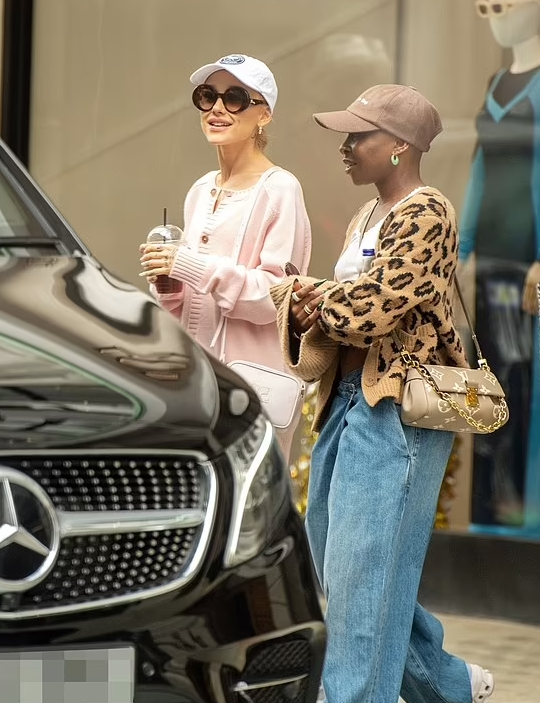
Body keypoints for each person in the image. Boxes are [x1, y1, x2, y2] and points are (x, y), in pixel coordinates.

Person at [270, 85, 495, 703]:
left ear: (399, 147)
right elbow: (353, 310)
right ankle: (448, 686)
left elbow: (379, 309)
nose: (345, 147)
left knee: (361, 580)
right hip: (343, 405)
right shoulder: (366, 216)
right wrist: (318, 301)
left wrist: (315, 297)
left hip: (396, 409)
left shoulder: (429, 212)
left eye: (358, 135)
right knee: (349, 575)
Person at [139, 54, 311, 459]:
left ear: (263, 114)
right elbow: (189, 303)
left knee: (248, 509)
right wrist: (169, 285)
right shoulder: (200, 190)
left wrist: (186, 264)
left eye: (235, 98)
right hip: (196, 383)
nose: (217, 108)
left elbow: (273, 297)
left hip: (251, 387)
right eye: (207, 96)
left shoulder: (280, 189)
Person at [460, 0, 540, 531]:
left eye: (503, 4)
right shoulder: (495, 81)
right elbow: (481, 171)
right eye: (485, 8)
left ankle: (521, 516)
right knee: (489, 384)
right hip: (490, 267)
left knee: (521, 382)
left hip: (526, 270)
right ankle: (491, 512)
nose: (496, 16)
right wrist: (457, 249)